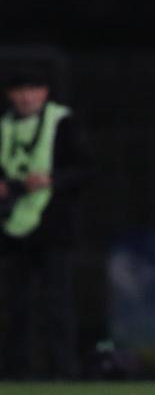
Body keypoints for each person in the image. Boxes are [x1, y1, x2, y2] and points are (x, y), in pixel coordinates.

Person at [0, 71, 89, 379]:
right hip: (12, 229)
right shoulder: (5, 125)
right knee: (15, 306)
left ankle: (64, 372)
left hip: (54, 227)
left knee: (57, 304)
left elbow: (85, 169)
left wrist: (52, 180)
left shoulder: (62, 122)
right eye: (20, 90)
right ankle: (15, 374)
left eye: (33, 89)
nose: (27, 97)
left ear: (44, 92)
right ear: (10, 94)